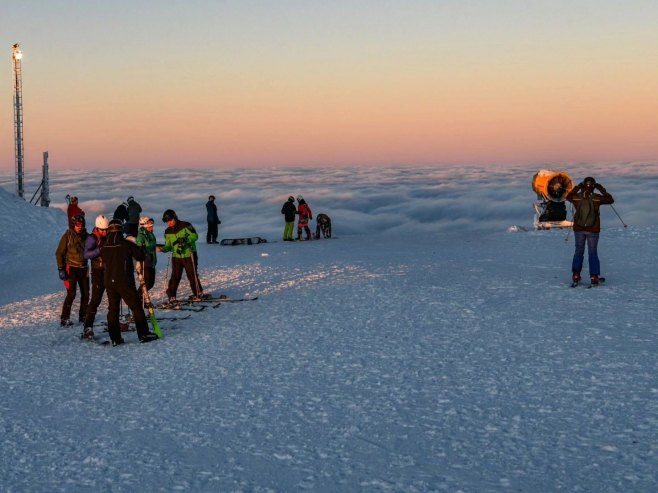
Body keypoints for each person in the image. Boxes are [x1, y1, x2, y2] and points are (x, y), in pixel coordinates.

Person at [101, 219, 158, 346]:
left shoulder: (105, 246)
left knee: (113, 309)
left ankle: (115, 338)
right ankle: (143, 334)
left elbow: (103, 257)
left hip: (109, 281)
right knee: (136, 307)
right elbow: (140, 255)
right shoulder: (125, 244)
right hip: (124, 280)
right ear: (120, 230)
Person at [565, 176, 615, 285]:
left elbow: (567, 196)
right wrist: (601, 189)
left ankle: (576, 275)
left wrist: (577, 187)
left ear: (583, 186)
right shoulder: (597, 198)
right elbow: (610, 200)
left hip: (578, 229)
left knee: (578, 251)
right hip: (593, 229)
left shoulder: (577, 197)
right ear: (593, 186)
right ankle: (594, 277)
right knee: (592, 252)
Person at [157, 209, 204, 305]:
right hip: (176, 256)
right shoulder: (167, 231)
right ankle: (171, 295)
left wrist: (185, 240)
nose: (168, 223)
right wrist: (162, 249)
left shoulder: (186, 225)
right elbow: (168, 246)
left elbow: (195, 236)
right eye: (167, 221)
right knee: (175, 276)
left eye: (170, 220)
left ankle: (198, 293)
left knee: (192, 274)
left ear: (174, 218)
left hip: (189, 254)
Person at [55, 213, 89, 326]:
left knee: (86, 293)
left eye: (82, 224)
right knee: (71, 293)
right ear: (73, 225)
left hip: (84, 268)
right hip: (71, 268)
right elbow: (59, 252)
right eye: (78, 224)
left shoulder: (86, 236)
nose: (80, 226)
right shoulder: (68, 236)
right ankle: (64, 318)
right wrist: (61, 268)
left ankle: (83, 316)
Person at [81, 215, 110, 339]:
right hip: (97, 272)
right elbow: (86, 254)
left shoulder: (107, 236)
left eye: (106, 230)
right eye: (102, 230)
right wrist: (99, 250)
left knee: (113, 298)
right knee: (95, 300)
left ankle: (113, 323)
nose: (104, 232)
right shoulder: (92, 239)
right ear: (97, 228)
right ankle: (88, 327)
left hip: (108, 271)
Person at [135, 216, 157, 300]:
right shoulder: (141, 236)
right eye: (149, 226)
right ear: (144, 226)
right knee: (146, 283)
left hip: (152, 261)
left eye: (152, 226)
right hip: (145, 262)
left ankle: (140, 298)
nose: (151, 228)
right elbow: (138, 249)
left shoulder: (150, 234)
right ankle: (138, 298)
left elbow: (151, 244)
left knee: (151, 283)